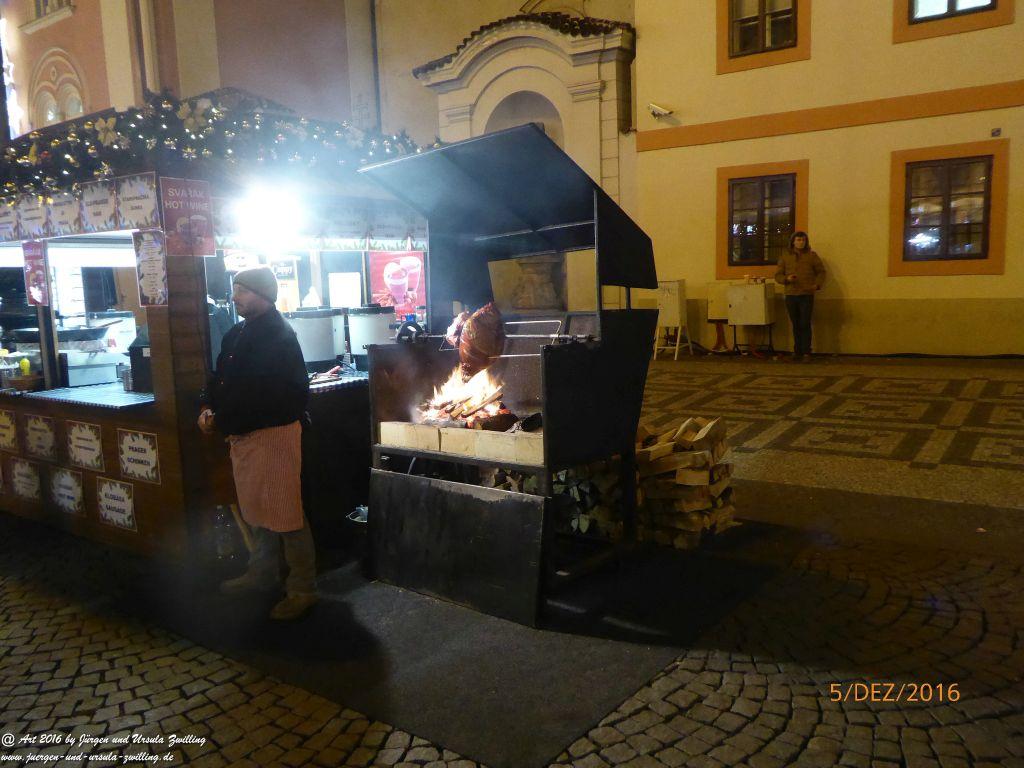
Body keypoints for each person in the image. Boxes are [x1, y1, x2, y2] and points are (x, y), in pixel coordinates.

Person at [198, 266, 316, 620]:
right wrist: (205, 405)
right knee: (257, 510)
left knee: (285, 513)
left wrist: (222, 420)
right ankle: (262, 573)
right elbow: (218, 379)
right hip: (245, 434)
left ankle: (303, 588)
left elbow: (265, 396)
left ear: (264, 294)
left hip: (274, 435)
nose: (234, 297)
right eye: (235, 289)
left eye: (242, 290)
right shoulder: (237, 333)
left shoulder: (280, 336)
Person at [774, 231, 825, 362]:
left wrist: (817, 285)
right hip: (791, 294)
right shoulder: (785, 257)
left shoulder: (812, 256)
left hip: (806, 294)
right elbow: (778, 276)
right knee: (795, 323)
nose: (801, 242)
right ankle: (797, 351)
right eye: (798, 240)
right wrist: (787, 279)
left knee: (805, 323)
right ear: (793, 242)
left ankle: (807, 351)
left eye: (803, 240)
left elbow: (821, 272)